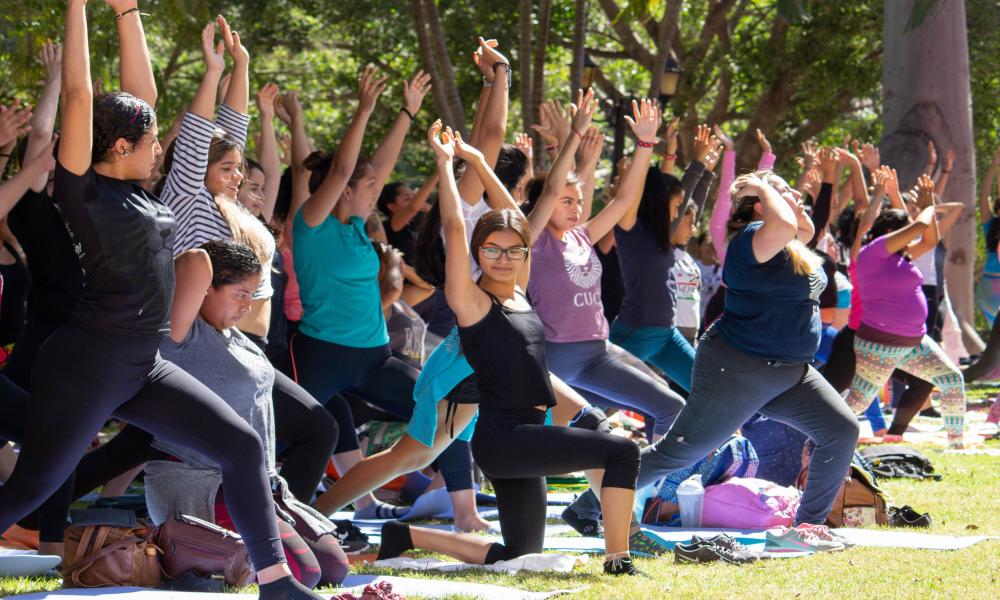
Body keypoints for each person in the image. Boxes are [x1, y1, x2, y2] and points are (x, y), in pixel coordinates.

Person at [0, 3, 321, 597]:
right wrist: (76, 7)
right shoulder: (83, 189)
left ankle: (276, 582)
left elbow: (139, 92)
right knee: (32, 487)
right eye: (150, 141)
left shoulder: (138, 189)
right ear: (120, 146)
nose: (160, 148)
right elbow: (78, 94)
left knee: (241, 445)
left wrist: (126, 11)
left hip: (142, 361)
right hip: (89, 362)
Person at [375, 119, 641, 576]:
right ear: (478, 255)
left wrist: (478, 159)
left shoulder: (518, 289)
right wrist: (446, 167)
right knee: (620, 450)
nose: (503, 257)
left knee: (521, 558)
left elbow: (515, 220)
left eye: (513, 250)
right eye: (491, 250)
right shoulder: (472, 301)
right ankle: (618, 560)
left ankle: (406, 536)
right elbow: (457, 228)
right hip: (505, 439)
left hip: (527, 432)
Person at [626, 170, 859, 549]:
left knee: (841, 430)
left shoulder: (790, 245)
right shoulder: (752, 240)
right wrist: (761, 187)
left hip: (790, 372)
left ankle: (806, 528)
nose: (794, 198)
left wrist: (780, 197)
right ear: (760, 206)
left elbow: (804, 227)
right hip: (738, 367)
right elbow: (785, 222)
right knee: (680, 452)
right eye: (784, 194)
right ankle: (591, 504)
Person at [145, 239, 348, 588]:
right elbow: (194, 259)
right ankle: (181, 549)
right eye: (240, 293)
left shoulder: (237, 337)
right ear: (207, 289)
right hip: (201, 485)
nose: (248, 304)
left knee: (332, 568)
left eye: (252, 294)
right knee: (306, 573)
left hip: (256, 486)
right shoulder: (181, 334)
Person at [290, 63, 431, 519]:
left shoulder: (356, 227)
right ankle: (289, 518)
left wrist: (407, 113)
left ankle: (459, 503)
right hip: (321, 355)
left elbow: (376, 166)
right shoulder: (312, 224)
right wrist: (364, 110)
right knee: (298, 435)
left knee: (436, 408)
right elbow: (347, 167)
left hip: (374, 357)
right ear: (341, 190)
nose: (377, 188)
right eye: (367, 185)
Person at [846, 174, 967, 448]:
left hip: (913, 342)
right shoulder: (873, 251)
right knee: (858, 400)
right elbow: (922, 225)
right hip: (879, 344)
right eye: (904, 230)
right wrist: (927, 205)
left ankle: (956, 444)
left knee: (951, 379)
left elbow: (930, 238)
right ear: (892, 232)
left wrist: (927, 204)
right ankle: (816, 433)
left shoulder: (902, 256)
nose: (909, 235)